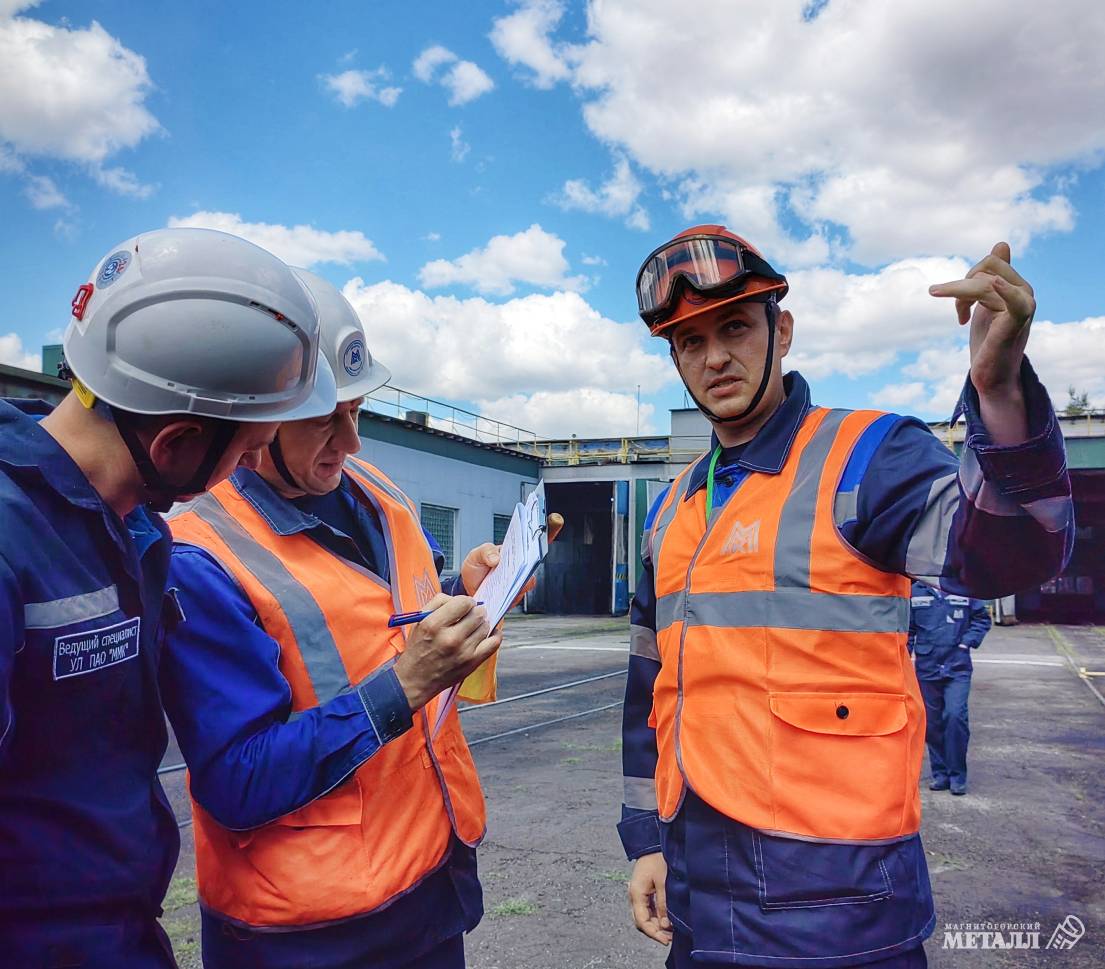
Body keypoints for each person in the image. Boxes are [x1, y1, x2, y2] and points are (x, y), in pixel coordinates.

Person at [619, 225, 1073, 968]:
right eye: (688, 342)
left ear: (782, 329)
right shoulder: (670, 509)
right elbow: (649, 690)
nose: (714, 357)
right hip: (699, 909)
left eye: (733, 326)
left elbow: (1015, 553)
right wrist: (645, 841)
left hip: (842, 919)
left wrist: (999, 394)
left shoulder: (870, 458)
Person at [0, 229, 336, 968]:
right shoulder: (12, 544)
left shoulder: (130, 525)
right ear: (176, 443)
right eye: (247, 452)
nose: (247, 468)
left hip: (118, 929)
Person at [161, 269, 512, 969]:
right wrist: (404, 685)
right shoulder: (200, 558)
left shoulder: (378, 493)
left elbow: (382, 610)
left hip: (428, 884)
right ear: (257, 417)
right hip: (309, 933)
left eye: (356, 411)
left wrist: (466, 587)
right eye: (324, 417)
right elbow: (236, 780)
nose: (349, 443)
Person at [908, 581, 992, 795]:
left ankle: (957, 774)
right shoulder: (915, 592)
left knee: (955, 716)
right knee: (932, 722)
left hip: (958, 665)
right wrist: (902, 658)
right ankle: (941, 774)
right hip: (927, 667)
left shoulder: (965, 588)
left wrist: (967, 642)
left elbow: (981, 619)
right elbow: (907, 630)